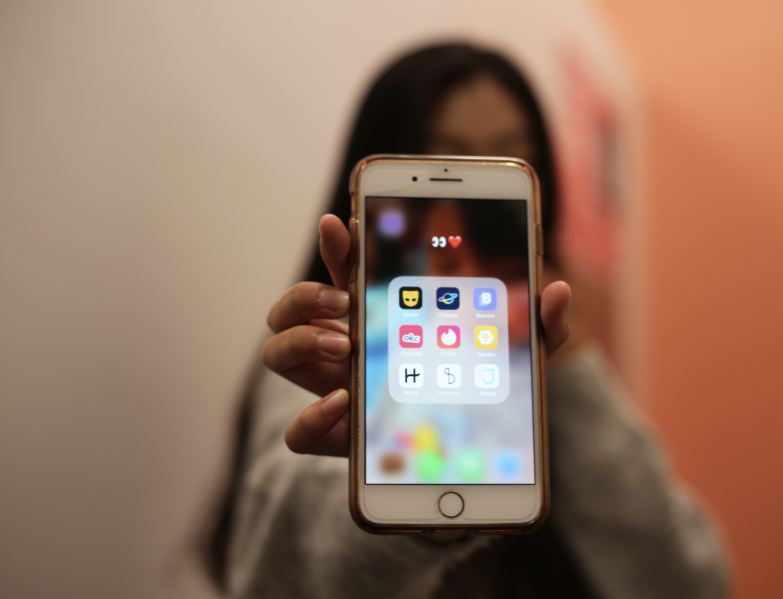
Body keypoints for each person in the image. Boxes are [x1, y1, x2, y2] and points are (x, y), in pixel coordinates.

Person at [202, 43, 730, 599]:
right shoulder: (323, 354)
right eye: (440, 159)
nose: (473, 208)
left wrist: (570, 372)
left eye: (511, 160)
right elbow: (277, 575)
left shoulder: (557, 356)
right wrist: (413, 524)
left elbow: (689, 583)